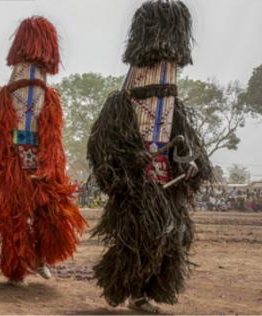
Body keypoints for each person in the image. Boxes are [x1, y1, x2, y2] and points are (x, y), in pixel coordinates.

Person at [87, 0, 212, 313]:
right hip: (137, 188)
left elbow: (189, 148)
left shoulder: (174, 110)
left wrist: (190, 163)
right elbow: (102, 149)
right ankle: (119, 285)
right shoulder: (119, 106)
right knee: (137, 239)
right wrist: (130, 164)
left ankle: (143, 295)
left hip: (168, 188)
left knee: (173, 241)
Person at [0, 16, 86, 285]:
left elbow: (53, 138)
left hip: (42, 166)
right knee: (13, 219)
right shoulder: (2, 103)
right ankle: (16, 267)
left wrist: (52, 167)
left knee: (49, 213)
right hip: (12, 167)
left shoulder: (49, 99)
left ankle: (40, 258)